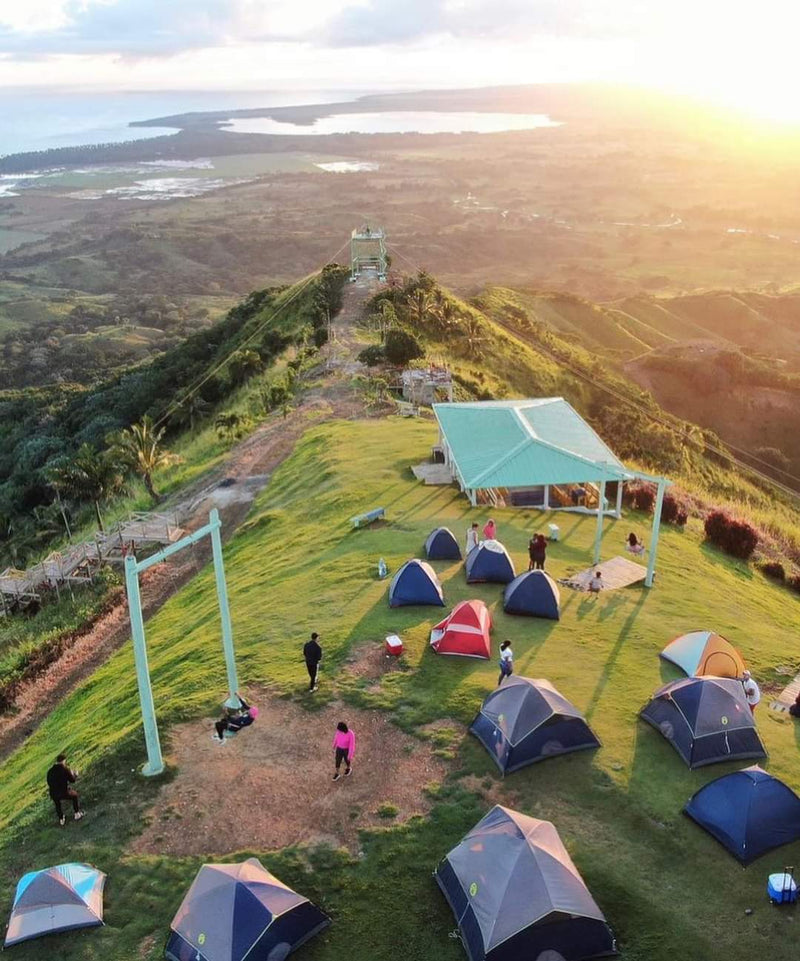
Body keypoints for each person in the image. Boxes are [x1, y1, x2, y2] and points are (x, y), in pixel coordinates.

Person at [46, 754, 83, 826]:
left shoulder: (50, 771)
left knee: (57, 804)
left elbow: (49, 782)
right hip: (63, 792)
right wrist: (75, 774)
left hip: (53, 793)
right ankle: (77, 814)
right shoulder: (65, 769)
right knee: (74, 795)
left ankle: (61, 819)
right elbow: (72, 780)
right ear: (63, 761)